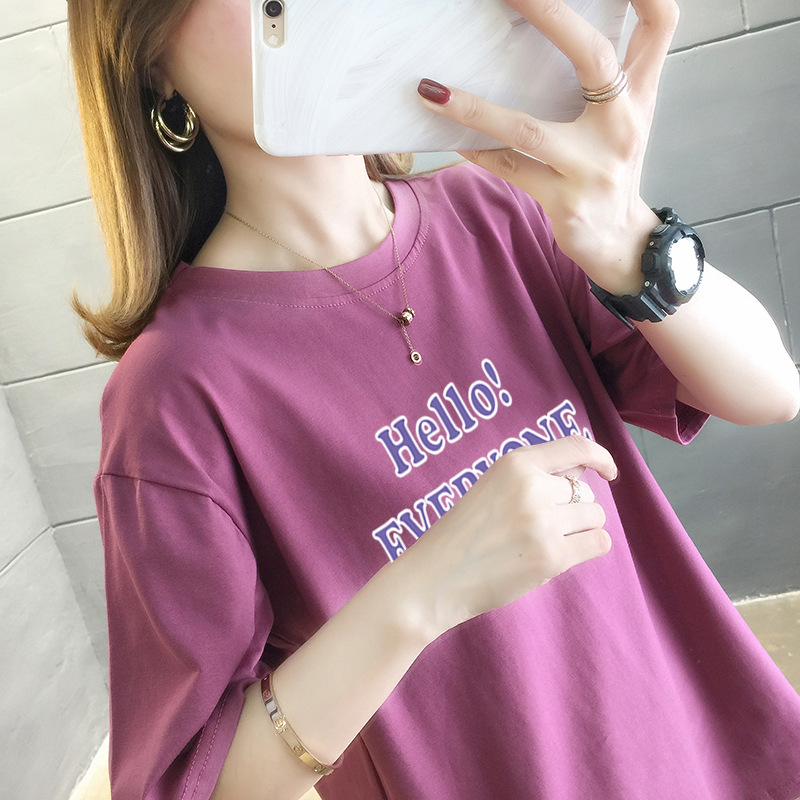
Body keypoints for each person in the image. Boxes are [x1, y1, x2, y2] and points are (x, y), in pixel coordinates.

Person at [68, 0, 800, 799]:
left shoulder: (498, 211)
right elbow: (186, 785)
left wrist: (626, 233)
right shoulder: (172, 394)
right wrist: (424, 590)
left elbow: (770, 391)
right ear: (152, 62)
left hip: (710, 758)